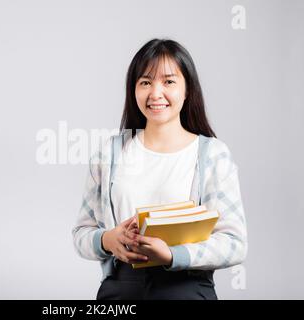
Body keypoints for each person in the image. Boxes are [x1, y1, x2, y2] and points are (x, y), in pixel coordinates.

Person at [72, 38, 247, 300]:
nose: (155, 93)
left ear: (188, 89)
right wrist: (108, 240)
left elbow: (235, 244)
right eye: (145, 82)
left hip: (185, 289)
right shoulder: (109, 153)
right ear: (134, 90)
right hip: (119, 289)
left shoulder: (213, 155)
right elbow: (81, 234)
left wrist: (172, 255)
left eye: (168, 81)